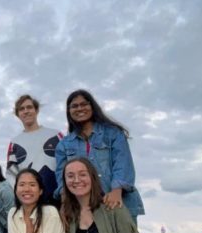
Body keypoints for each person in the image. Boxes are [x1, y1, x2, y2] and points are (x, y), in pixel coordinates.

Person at [55, 89, 144, 223]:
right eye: (74, 106)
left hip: (118, 201)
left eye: (84, 104)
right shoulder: (64, 144)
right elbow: (62, 175)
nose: (79, 108)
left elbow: (123, 163)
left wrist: (116, 191)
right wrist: (64, 203)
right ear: (69, 112)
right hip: (84, 208)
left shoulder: (113, 133)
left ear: (92, 106)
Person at [6, 95, 62, 208]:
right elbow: (11, 174)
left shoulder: (55, 135)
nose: (26, 111)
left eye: (29, 107)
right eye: (22, 109)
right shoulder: (15, 143)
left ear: (36, 110)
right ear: (18, 115)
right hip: (32, 204)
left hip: (59, 199)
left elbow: (66, 164)